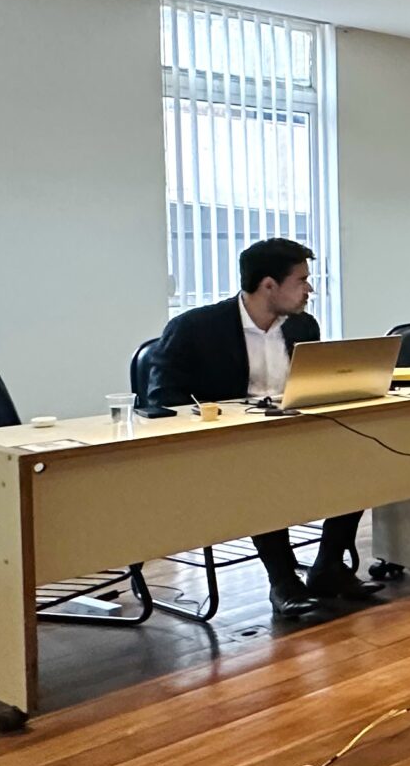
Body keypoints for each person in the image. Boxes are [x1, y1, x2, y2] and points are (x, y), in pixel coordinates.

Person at [144, 238, 378, 617]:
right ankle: (283, 580)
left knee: (362, 458)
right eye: (301, 280)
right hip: (229, 444)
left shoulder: (303, 325)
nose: (310, 289)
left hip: (294, 433)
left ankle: (329, 567)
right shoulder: (194, 328)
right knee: (262, 470)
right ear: (269, 285)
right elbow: (162, 399)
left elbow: (311, 384)